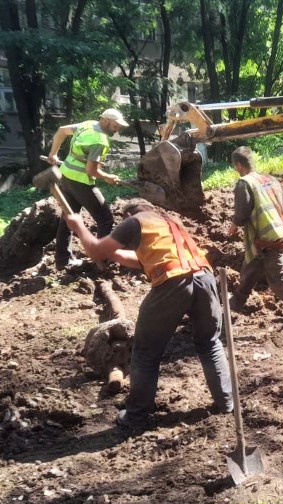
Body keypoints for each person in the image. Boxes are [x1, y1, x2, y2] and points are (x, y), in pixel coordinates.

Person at [64, 200, 233, 430]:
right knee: (209, 343)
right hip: (204, 278)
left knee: (145, 353)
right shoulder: (169, 222)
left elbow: (94, 249)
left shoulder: (133, 223)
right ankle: (226, 402)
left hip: (173, 283)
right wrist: (113, 253)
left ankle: (134, 417)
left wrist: (78, 227)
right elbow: (142, 261)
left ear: (127, 214)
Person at [227, 146, 283, 330]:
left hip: (267, 240)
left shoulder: (244, 183)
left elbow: (242, 214)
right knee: (249, 272)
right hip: (276, 235)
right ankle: (232, 309)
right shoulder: (270, 179)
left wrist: (234, 224)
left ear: (238, 166)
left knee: (280, 279)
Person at [47, 108, 128, 270]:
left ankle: (62, 260)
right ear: (105, 121)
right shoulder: (100, 140)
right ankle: (102, 258)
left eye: (119, 126)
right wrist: (107, 177)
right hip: (81, 183)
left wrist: (53, 153)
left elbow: (62, 131)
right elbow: (92, 171)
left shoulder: (87, 125)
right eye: (115, 125)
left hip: (65, 177)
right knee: (105, 219)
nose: (117, 129)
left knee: (69, 217)